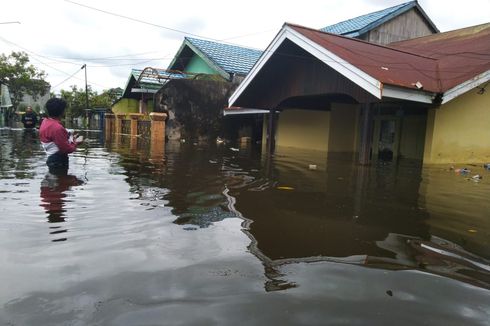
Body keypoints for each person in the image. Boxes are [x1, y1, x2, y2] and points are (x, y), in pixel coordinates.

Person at [39, 98, 83, 173]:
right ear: (62, 111)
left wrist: (72, 136)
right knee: (61, 183)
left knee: (54, 183)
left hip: (51, 159)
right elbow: (67, 149)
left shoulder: (45, 122)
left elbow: (55, 139)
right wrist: (76, 142)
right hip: (58, 162)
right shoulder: (57, 128)